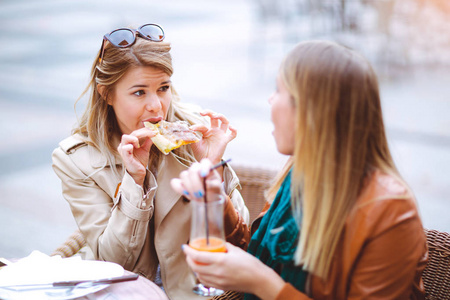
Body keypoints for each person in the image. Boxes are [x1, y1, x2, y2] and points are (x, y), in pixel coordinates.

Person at [171, 40, 428, 299]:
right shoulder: (301, 173)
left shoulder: (390, 210)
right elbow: (259, 256)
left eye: (278, 90)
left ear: (311, 110)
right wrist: (217, 205)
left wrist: (263, 284)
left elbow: (261, 273)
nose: (270, 99)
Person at [52, 23, 250, 300]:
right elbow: (115, 263)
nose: (156, 105)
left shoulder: (195, 130)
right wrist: (134, 182)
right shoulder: (76, 160)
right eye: (139, 92)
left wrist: (209, 171)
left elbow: (243, 243)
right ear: (106, 94)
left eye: (163, 88)